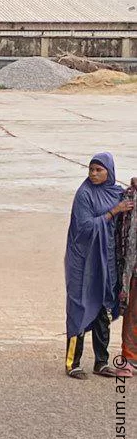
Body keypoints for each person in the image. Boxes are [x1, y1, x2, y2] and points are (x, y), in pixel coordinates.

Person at [65, 153, 134, 379]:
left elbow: (129, 201)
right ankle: (72, 363)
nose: (93, 174)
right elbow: (84, 228)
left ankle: (101, 362)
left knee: (103, 308)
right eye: (91, 169)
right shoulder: (84, 194)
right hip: (83, 260)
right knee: (80, 307)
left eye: (99, 170)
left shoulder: (115, 193)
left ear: (109, 172)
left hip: (106, 261)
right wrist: (112, 212)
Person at [117, 177, 137, 368]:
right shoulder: (129, 195)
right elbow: (121, 230)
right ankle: (129, 358)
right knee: (132, 313)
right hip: (134, 265)